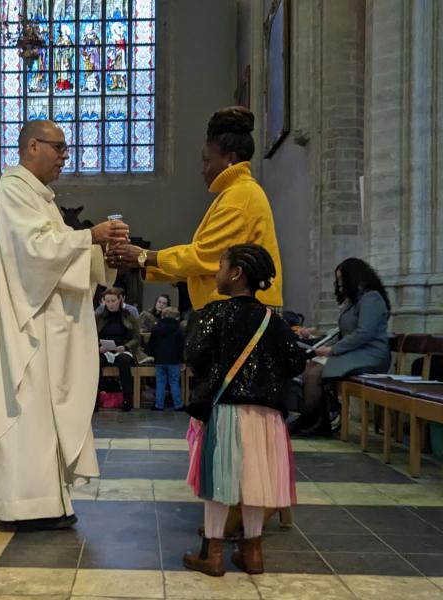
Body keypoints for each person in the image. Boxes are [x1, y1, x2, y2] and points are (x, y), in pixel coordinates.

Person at [0, 119, 126, 530]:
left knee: (41, 415)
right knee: (26, 410)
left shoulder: (41, 198)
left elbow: (55, 254)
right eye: (58, 148)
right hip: (23, 326)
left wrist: (100, 253)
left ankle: (47, 502)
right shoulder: (11, 191)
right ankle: (20, 505)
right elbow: (34, 252)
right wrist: (89, 236)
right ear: (32, 146)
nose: (64, 157)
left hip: (39, 322)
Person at [182, 244, 306, 577]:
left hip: (226, 411)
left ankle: (213, 553)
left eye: (221, 267)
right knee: (255, 481)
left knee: (218, 482)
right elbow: (295, 361)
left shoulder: (213, 314)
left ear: (236, 273)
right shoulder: (273, 320)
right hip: (267, 416)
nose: (217, 274)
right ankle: (252, 554)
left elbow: (194, 356)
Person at [108, 107, 283, 311]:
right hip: (233, 309)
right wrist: (141, 262)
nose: (203, 169)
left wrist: (144, 256)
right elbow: (199, 267)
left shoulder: (240, 196)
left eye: (207, 161)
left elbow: (202, 257)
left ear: (229, 159)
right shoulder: (236, 192)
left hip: (243, 313)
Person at [291, 258, 391, 437]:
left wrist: (332, 350)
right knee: (310, 366)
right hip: (356, 353)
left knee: (317, 372)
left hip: (371, 355)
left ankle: (311, 420)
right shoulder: (354, 302)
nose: (340, 284)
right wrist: (324, 344)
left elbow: (363, 333)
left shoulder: (372, 298)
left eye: (342, 280)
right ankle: (315, 420)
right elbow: (343, 332)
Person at [147, 306, 183, 411]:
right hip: (174, 361)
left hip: (160, 360)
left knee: (160, 382)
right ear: (176, 317)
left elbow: (151, 344)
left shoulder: (156, 328)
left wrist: (153, 355)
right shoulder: (178, 329)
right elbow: (181, 346)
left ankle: (159, 405)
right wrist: (182, 360)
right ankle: (178, 405)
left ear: (163, 315)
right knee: (174, 382)